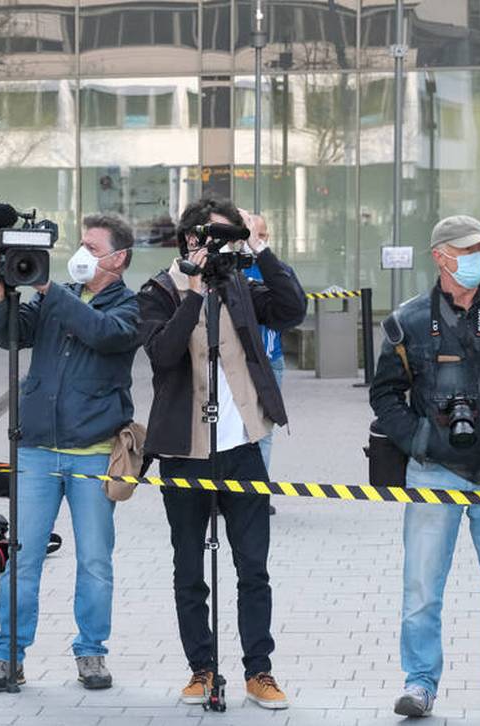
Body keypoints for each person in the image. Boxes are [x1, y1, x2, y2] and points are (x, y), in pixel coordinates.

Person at [369, 214, 480, 719]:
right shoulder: (408, 320)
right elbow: (384, 392)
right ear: (441, 256)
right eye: (468, 250)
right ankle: (420, 683)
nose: (477, 258)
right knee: (423, 587)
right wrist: (421, 439)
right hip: (434, 471)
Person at [138, 197, 307, 710]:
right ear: (191, 238)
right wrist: (192, 293)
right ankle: (202, 669)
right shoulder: (158, 292)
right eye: (216, 237)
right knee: (189, 567)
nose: (223, 247)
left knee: (253, 567)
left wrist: (260, 248)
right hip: (185, 453)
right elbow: (162, 354)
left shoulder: (239, 285)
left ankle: (259, 670)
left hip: (242, 449)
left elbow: (292, 309)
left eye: (229, 237)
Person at [0, 213, 141, 693]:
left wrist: (51, 290)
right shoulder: (57, 294)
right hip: (37, 451)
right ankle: (7, 655)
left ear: (119, 258)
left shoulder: (129, 306)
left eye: (94, 246)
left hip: (93, 454)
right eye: (82, 244)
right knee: (21, 558)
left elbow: (103, 334)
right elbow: (12, 335)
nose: (83, 253)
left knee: (94, 560)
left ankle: (91, 652)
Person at [238, 210, 290, 474]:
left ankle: (258, 493)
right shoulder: (231, 268)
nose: (251, 242)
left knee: (263, 432)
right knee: (235, 430)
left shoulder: (275, 270)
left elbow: (291, 307)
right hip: (237, 364)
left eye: (258, 235)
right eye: (247, 235)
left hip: (270, 362)